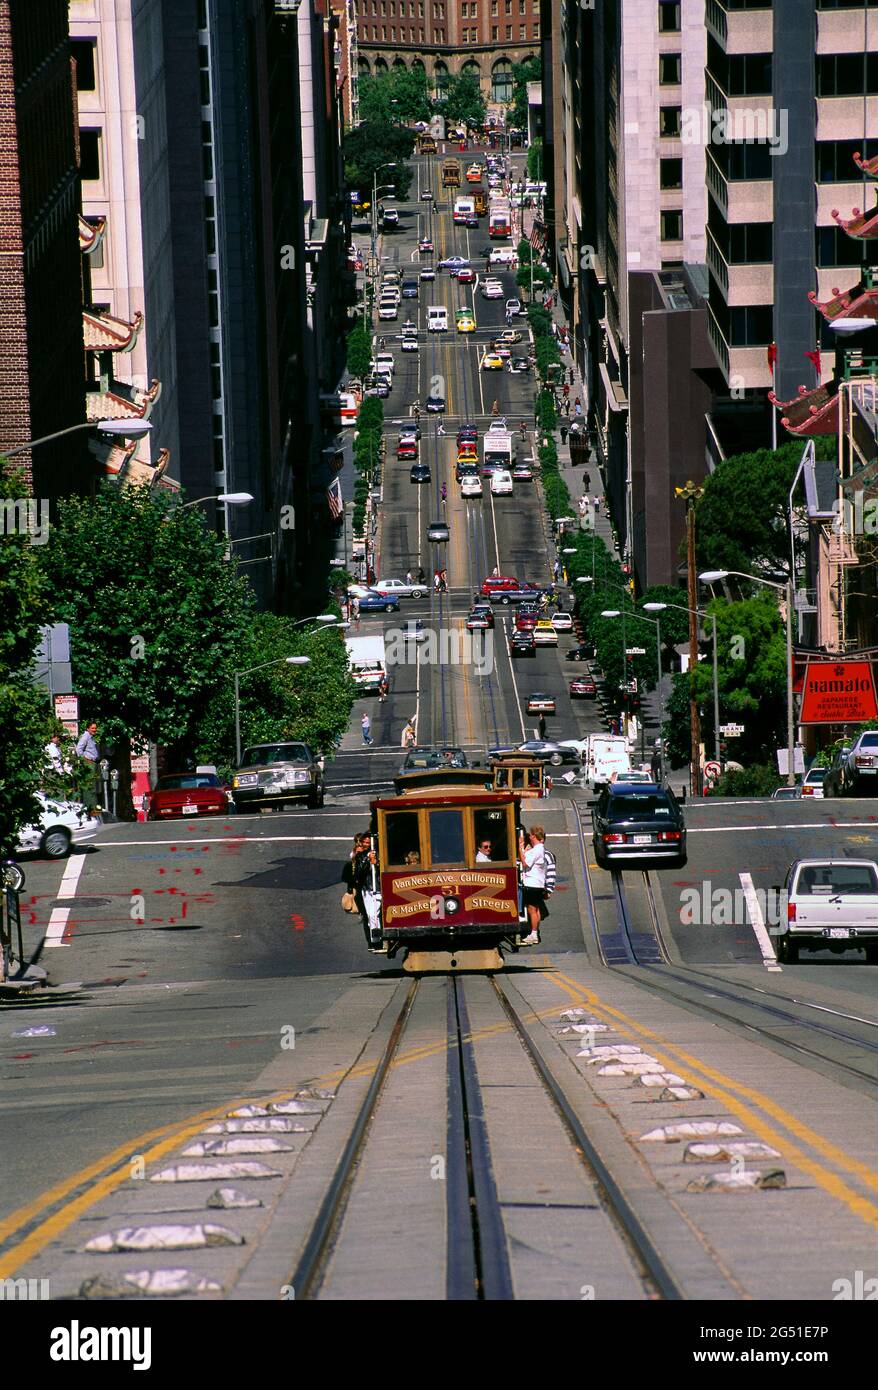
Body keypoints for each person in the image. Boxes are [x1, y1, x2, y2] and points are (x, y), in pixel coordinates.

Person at [519, 824, 548, 944]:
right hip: (537, 883)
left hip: (532, 883)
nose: (529, 837)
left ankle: (534, 933)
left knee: (532, 909)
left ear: (535, 836)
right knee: (536, 909)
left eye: (531, 835)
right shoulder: (538, 849)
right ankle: (535, 932)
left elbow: (525, 863)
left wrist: (520, 847)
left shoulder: (537, 849)